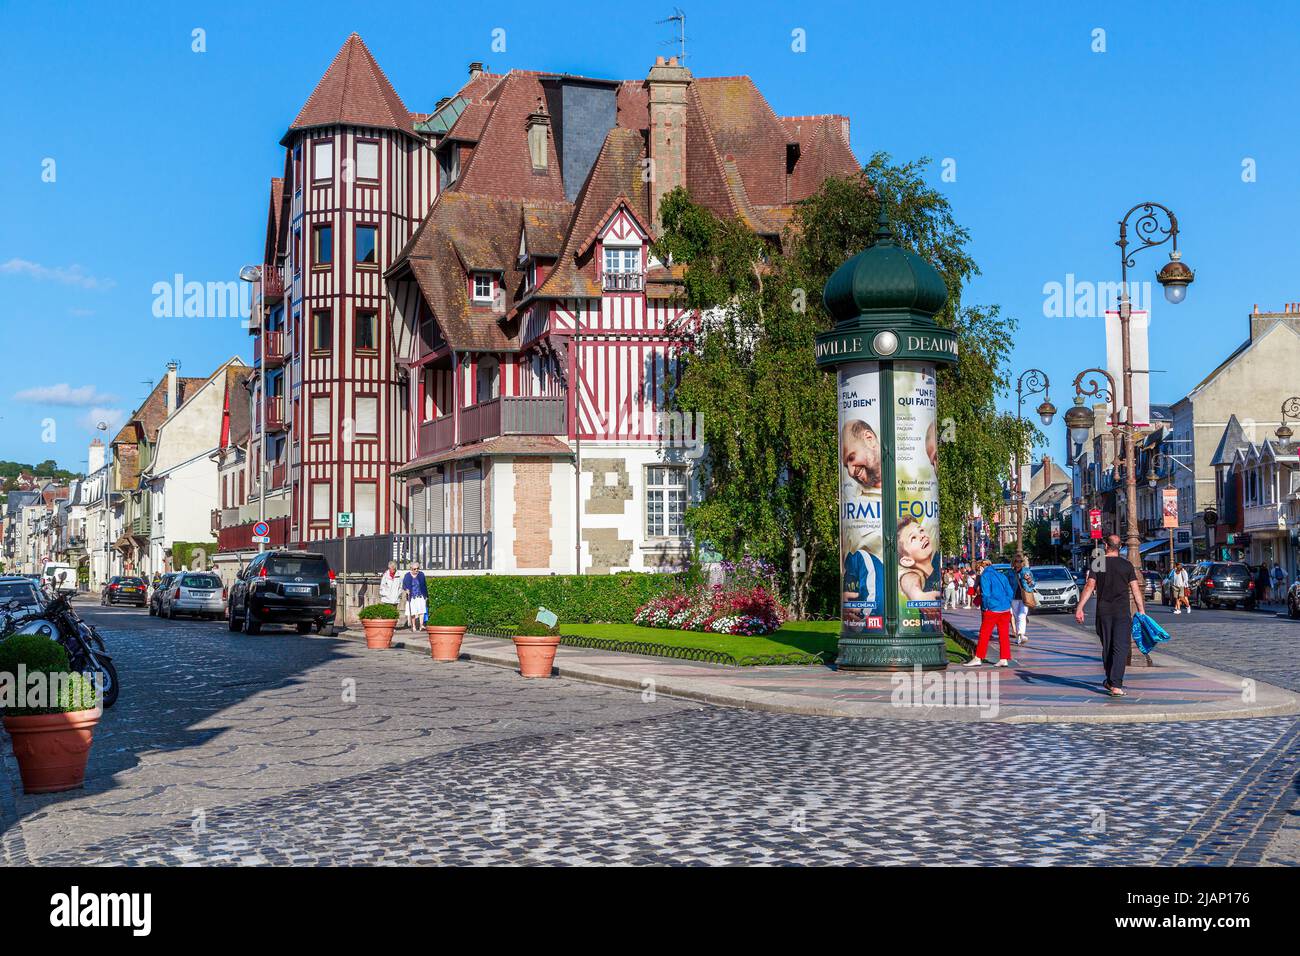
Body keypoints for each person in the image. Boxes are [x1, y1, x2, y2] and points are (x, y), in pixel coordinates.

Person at [1075, 534, 1145, 697]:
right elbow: (1135, 589)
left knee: (1107, 646)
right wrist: (1141, 611)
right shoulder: (1126, 565)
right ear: (1120, 547)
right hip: (1122, 612)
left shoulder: (1098, 563)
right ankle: (1115, 684)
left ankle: (1111, 680)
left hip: (1103, 612)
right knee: (1120, 647)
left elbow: (1089, 586)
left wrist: (1080, 607)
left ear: (1106, 546)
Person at [964, 558, 1015, 667]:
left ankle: (978, 657)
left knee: (984, 633)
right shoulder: (1001, 575)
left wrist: (986, 607)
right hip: (1005, 608)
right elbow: (1010, 591)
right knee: (1004, 634)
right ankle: (1004, 658)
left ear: (982, 567)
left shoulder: (985, 576)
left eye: (979, 569)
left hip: (993, 609)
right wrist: (1007, 602)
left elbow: (986, 594)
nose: (979, 572)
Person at [896, 517, 941, 602]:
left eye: (921, 530)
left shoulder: (936, 558)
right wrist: (917, 595)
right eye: (913, 538)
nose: (922, 536)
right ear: (907, 561)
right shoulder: (919, 578)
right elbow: (907, 579)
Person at [1009, 553, 1035, 645]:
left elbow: (1033, 584)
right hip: (1014, 597)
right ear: (1014, 562)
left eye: (1021, 561)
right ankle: (1019, 636)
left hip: (1025, 596)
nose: (1019, 563)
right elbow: (1007, 584)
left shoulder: (1026, 571)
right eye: (1017, 561)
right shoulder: (1011, 572)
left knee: (1022, 615)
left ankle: (1021, 633)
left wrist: (1029, 580)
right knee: (1016, 616)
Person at [400, 561, 428, 634]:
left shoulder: (421, 575)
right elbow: (404, 585)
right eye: (415, 569)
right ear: (411, 569)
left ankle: (421, 625)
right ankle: (414, 626)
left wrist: (426, 595)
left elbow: (424, 586)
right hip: (412, 596)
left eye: (417, 568)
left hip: (420, 595)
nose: (416, 570)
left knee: (421, 611)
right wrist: (406, 590)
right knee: (413, 612)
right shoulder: (407, 576)